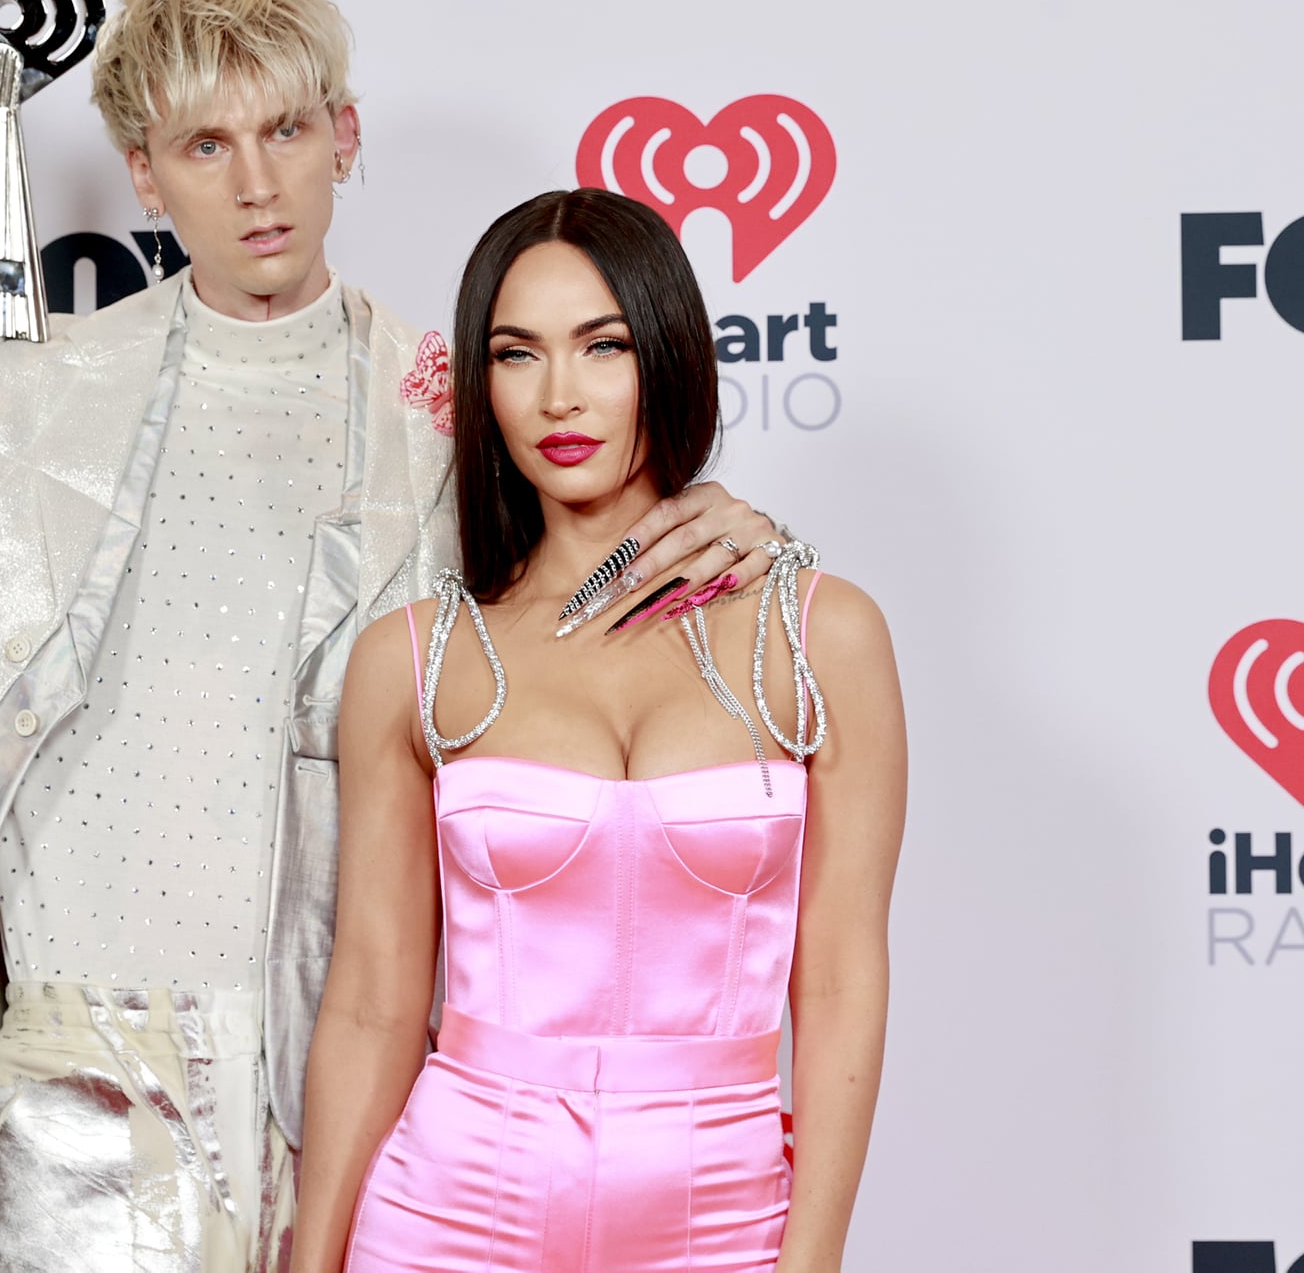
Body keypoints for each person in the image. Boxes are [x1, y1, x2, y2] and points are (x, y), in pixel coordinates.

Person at [0, 0, 785, 1273]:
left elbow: (609, 625)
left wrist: (741, 536)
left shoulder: (457, 419)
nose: (255, 185)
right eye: (204, 144)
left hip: (374, 1101)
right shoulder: (6, 401)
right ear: (142, 170)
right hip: (78, 1095)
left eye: (287, 130)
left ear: (345, 137)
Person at [292, 189, 906, 1273]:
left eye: (601, 346)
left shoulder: (822, 638)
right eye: (516, 354)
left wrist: (810, 1260)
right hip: (446, 1217)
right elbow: (372, 1003)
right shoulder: (414, 658)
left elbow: (841, 981)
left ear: (664, 357)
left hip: (725, 1222)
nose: (558, 397)